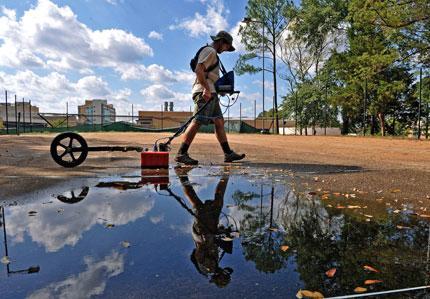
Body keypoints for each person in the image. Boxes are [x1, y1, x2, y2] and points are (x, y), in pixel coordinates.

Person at [175, 30, 246, 165]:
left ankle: (228, 153)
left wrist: (220, 90)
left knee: (219, 122)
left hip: (211, 92)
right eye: (226, 47)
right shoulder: (210, 51)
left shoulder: (212, 54)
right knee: (197, 120)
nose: (225, 50)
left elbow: (209, 75)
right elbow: (199, 70)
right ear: (221, 42)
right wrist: (207, 89)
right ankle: (181, 153)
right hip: (204, 92)